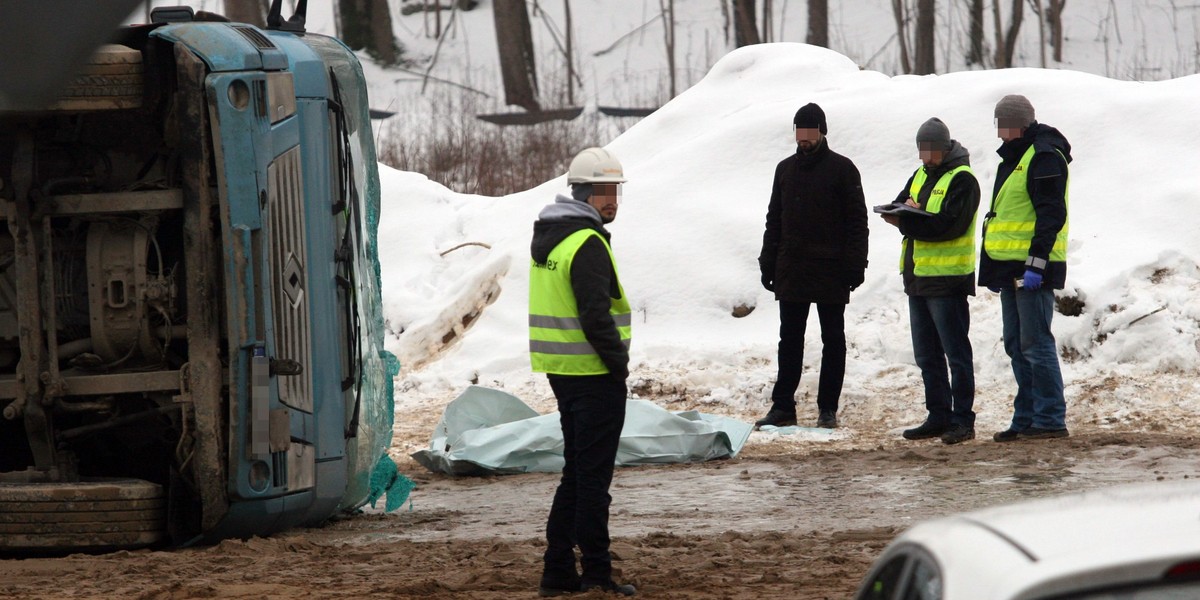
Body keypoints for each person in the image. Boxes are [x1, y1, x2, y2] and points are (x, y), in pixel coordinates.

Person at [529, 147, 636, 597]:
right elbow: (595, 315)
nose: (612, 200)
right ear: (584, 192)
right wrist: (619, 366)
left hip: (564, 372)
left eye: (615, 191)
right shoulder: (587, 242)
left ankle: (557, 571)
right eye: (604, 192)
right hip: (593, 375)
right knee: (592, 480)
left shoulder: (553, 235)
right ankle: (595, 571)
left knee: (576, 474)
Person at [756, 103, 869, 430]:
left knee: (833, 338)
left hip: (831, 269)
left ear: (822, 131)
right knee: (789, 339)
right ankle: (783, 407)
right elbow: (774, 219)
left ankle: (827, 409)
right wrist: (768, 260)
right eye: (798, 132)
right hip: (791, 267)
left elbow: (856, 223)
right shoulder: (784, 169)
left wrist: (855, 264)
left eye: (809, 132)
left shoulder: (843, 169)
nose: (803, 138)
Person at [881, 118, 980, 445]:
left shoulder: (963, 179)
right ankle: (938, 415)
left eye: (930, 151)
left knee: (955, 353)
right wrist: (903, 212)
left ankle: (962, 419)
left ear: (945, 147)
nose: (925, 158)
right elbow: (901, 204)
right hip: (918, 278)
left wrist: (909, 220)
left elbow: (949, 226)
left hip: (948, 281)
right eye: (921, 151)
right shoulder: (920, 174)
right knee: (927, 355)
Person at [981, 95, 1073, 441]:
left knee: (1036, 344)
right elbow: (1007, 216)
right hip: (1011, 269)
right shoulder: (1017, 155)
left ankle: (1049, 418)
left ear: (1021, 123)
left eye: (1004, 125)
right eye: (998, 125)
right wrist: (994, 268)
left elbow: (1050, 215)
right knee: (1016, 345)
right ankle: (1026, 417)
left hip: (1032, 269)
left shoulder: (1045, 155)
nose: (1000, 134)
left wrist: (1036, 264)